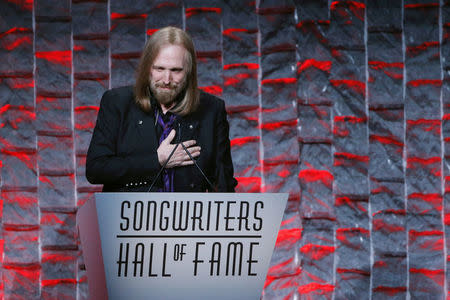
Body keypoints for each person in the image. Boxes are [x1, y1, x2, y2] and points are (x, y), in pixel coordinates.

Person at [85, 26, 237, 192]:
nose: (166, 79)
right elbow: (96, 170)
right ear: (147, 68)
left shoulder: (212, 108)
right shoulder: (117, 102)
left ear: (188, 72)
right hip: (130, 216)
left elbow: (224, 184)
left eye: (176, 71)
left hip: (187, 216)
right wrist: (157, 160)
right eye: (159, 69)